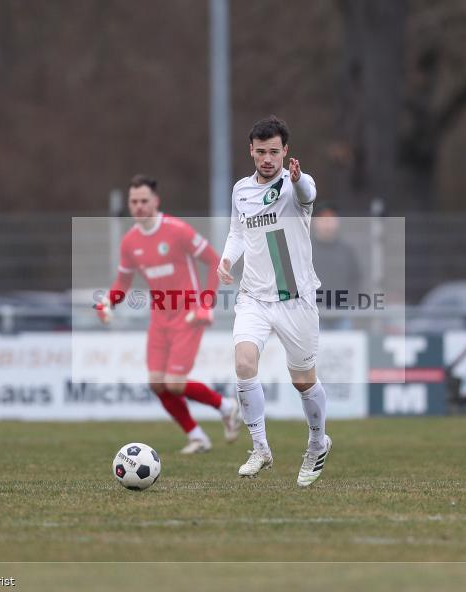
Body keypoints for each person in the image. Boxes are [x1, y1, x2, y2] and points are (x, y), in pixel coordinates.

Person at [218, 115, 332, 488]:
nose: (267, 158)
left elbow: (308, 194)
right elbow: (238, 231)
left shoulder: (294, 185)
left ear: (286, 152)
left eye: (274, 151)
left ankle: (317, 442)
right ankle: (260, 447)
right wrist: (226, 259)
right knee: (244, 361)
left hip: (294, 299)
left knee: (303, 381)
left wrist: (298, 180)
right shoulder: (240, 190)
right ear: (251, 150)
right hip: (253, 296)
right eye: (261, 151)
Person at [95, 175, 240, 454]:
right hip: (159, 318)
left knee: (174, 383)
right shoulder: (130, 242)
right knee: (156, 382)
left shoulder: (177, 230)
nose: (138, 206)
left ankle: (226, 406)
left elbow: (214, 261)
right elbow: (123, 283)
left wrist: (205, 304)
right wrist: (107, 303)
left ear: (156, 201)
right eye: (133, 202)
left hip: (188, 314)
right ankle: (198, 435)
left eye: (143, 201)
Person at [311, 204, 362, 330]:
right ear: (315, 222)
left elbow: (356, 278)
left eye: (331, 218)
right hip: (313, 317)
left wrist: (348, 302)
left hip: (342, 316)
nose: (327, 223)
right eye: (323, 218)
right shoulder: (306, 249)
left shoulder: (346, 250)